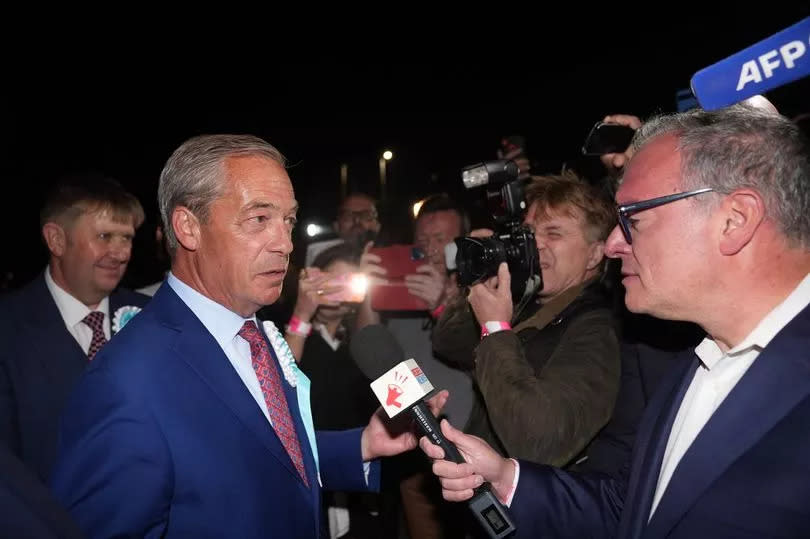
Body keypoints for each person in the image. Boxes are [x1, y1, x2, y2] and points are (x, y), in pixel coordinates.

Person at [422, 103, 810, 537]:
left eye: (634, 219)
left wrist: (497, 329)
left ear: (734, 221)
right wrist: (506, 479)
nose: (613, 245)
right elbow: (630, 512)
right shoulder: (688, 365)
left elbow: (541, 438)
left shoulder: (612, 330)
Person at [50, 134, 446, 538]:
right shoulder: (126, 380)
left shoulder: (255, 333)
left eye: (288, 220)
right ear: (189, 227)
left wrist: (362, 445)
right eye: (259, 219)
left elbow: (265, 455)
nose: (285, 243)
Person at [432, 172, 621, 469]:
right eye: (529, 233)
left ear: (595, 254)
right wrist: (481, 280)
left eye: (553, 234)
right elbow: (447, 343)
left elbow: (540, 441)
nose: (536, 244)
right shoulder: (525, 303)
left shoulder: (598, 329)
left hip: (537, 509)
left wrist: (495, 330)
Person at [0, 173, 149, 481]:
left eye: (128, 238)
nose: (121, 254)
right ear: (56, 239)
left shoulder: (151, 317)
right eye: (105, 237)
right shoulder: (9, 329)